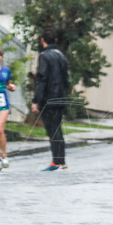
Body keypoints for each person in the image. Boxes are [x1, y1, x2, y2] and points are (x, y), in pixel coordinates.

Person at [30, 28, 71, 171]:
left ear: (42, 40)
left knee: (52, 130)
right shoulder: (61, 55)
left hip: (49, 98)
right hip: (61, 97)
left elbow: (42, 78)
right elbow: (66, 79)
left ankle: (56, 162)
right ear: (56, 40)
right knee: (58, 129)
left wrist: (36, 100)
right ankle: (61, 160)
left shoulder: (44, 56)